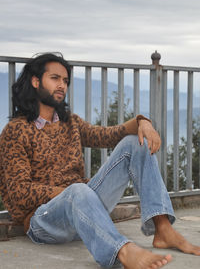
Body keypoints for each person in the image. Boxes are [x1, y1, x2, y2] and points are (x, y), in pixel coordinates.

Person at [0, 53, 199, 269]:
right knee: (78, 190)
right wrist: (67, 192)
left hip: (84, 208)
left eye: (65, 81)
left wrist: (143, 122)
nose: (62, 85)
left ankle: (163, 229)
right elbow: (19, 193)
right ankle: (122, 251)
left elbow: (109, 135)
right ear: (36, 81)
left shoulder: (70, 123)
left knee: (134, 143)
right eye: (55, 78)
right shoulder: (16, 131)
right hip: (44, 221)